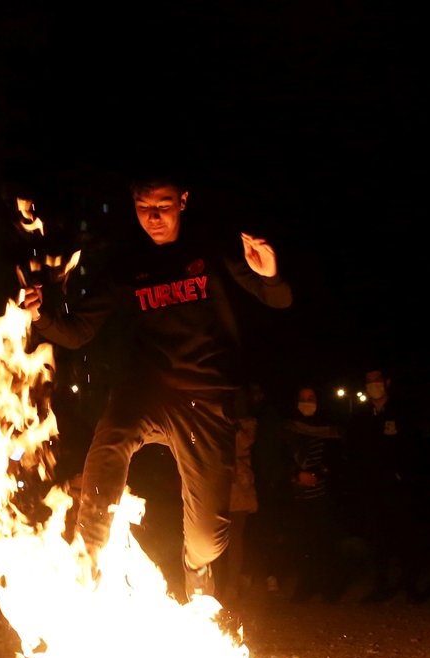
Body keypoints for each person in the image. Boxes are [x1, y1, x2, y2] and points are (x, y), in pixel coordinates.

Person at [19, 172, 292, 601]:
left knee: (206, 537)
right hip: (147, 389)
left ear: (183, 201)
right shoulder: (128, 264)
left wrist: (270, 275)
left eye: (163, 205)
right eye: (144, 208)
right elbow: (77, 333)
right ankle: (87, 554)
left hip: (206, 399)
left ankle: (197, 574)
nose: (153, 217)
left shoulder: (211, 250)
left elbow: (278, 301)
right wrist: (40, 316)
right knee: (110, 438)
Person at [346, 367, 425, 603]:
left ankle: (410, 586)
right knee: (377, 538)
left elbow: (414, 445)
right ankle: (380, 586)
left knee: (404, 536)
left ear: (387, 382)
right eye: (368, 381)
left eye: (377, 380)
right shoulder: (361, 415)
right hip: (373, 486)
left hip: (399, 486)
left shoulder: (403, 411)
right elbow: (355, 449)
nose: (373, 385)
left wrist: (403, 473)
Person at [277, 385, 348, 602]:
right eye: (303, 398)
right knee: (301, 543)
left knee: (325, 543)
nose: (307, 402)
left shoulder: (330, 429)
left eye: (311, 397)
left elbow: (338, 458)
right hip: (298, 497)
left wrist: (317, 473)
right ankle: (306, 585)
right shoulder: (289, 428)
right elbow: (282, 457)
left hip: (324, 495)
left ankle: (329, 587)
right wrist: (297, 475)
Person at [214, 385, 261, 605]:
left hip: (239, 486)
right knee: (213, 537)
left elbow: (244, 443)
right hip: (216, 484)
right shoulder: (212, 421)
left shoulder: (246, 424)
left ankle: (232, 585)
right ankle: (215, 585)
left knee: (235, 538)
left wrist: (230, 425)